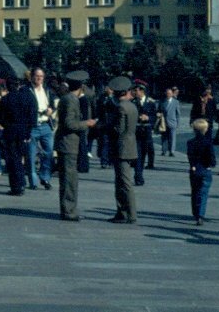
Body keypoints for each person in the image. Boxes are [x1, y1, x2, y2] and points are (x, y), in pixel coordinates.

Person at [54, 71, 97, 221]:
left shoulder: (68, 98)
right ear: (81, 86)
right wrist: (87, 123)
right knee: (69, 180)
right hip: (68, 144)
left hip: (68, 143)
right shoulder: (71, 100)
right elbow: (69, 123)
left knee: (68, 179)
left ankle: (67, 209)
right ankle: (69, 211)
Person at [0, 76, 38, 196]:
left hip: (10, 132)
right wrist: (28, 130)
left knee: (13, 160)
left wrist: (8, 126)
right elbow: (33, 115)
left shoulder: (5, 99)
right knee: (21, 158)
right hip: (24, 131)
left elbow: (0, 118)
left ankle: (16, 186)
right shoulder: (28, 97)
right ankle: (21, 182)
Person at [106, 76, 138, 224]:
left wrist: (106, 125)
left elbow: (118, 129)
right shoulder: (132, 106)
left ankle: (130, 213)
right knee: (121, 181)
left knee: (124, 182)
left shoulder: (120, 107)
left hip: (121, 147)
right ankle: (122, 212)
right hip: (130, 146)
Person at [27, 67, 57, 190]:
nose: (39, 78)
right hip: (33, 126)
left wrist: (51, 109)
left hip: (45, 125)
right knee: (31, 154)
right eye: (37, 76)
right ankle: (33, 181)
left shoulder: (47, 91)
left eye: (41, 76)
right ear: (32, 77)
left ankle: (45, 177)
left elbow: (53, 103)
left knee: (49, 153)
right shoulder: (27, 90)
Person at [187, 118, 215, 225]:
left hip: (194, 169)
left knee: (194, 191)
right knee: (203, 192)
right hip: (205, 169)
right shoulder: (208, 142)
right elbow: (211, 158)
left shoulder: (190, 142)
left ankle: (195, 212)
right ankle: (201, 214)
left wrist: (193, 165)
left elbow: (190, 156)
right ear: (206, 129)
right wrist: (210, 164)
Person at [132, 80, 157, 185]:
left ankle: (139, 172)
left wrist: (148, 118)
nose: (135, 92)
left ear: (142, 91)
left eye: (136, 90)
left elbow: (155, 117)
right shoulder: (133, 102)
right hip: (136, 132)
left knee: (143, 154)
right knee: (137, 154)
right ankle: (138, 176)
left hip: (146, 132)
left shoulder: (151, 102)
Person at [159, 87, 180, 157]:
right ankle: (164, 150)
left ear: (172, 94)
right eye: (167, 93)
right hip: (163, 122)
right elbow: (159, 110)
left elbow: (178, 113)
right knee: (164, 137)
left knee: (172, 137)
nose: (168, 94)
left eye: (170, 93)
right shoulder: (162, 102)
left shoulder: (176, 102)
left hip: (172, 122)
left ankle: (172, 151)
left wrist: (177, 123)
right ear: (165, 94)